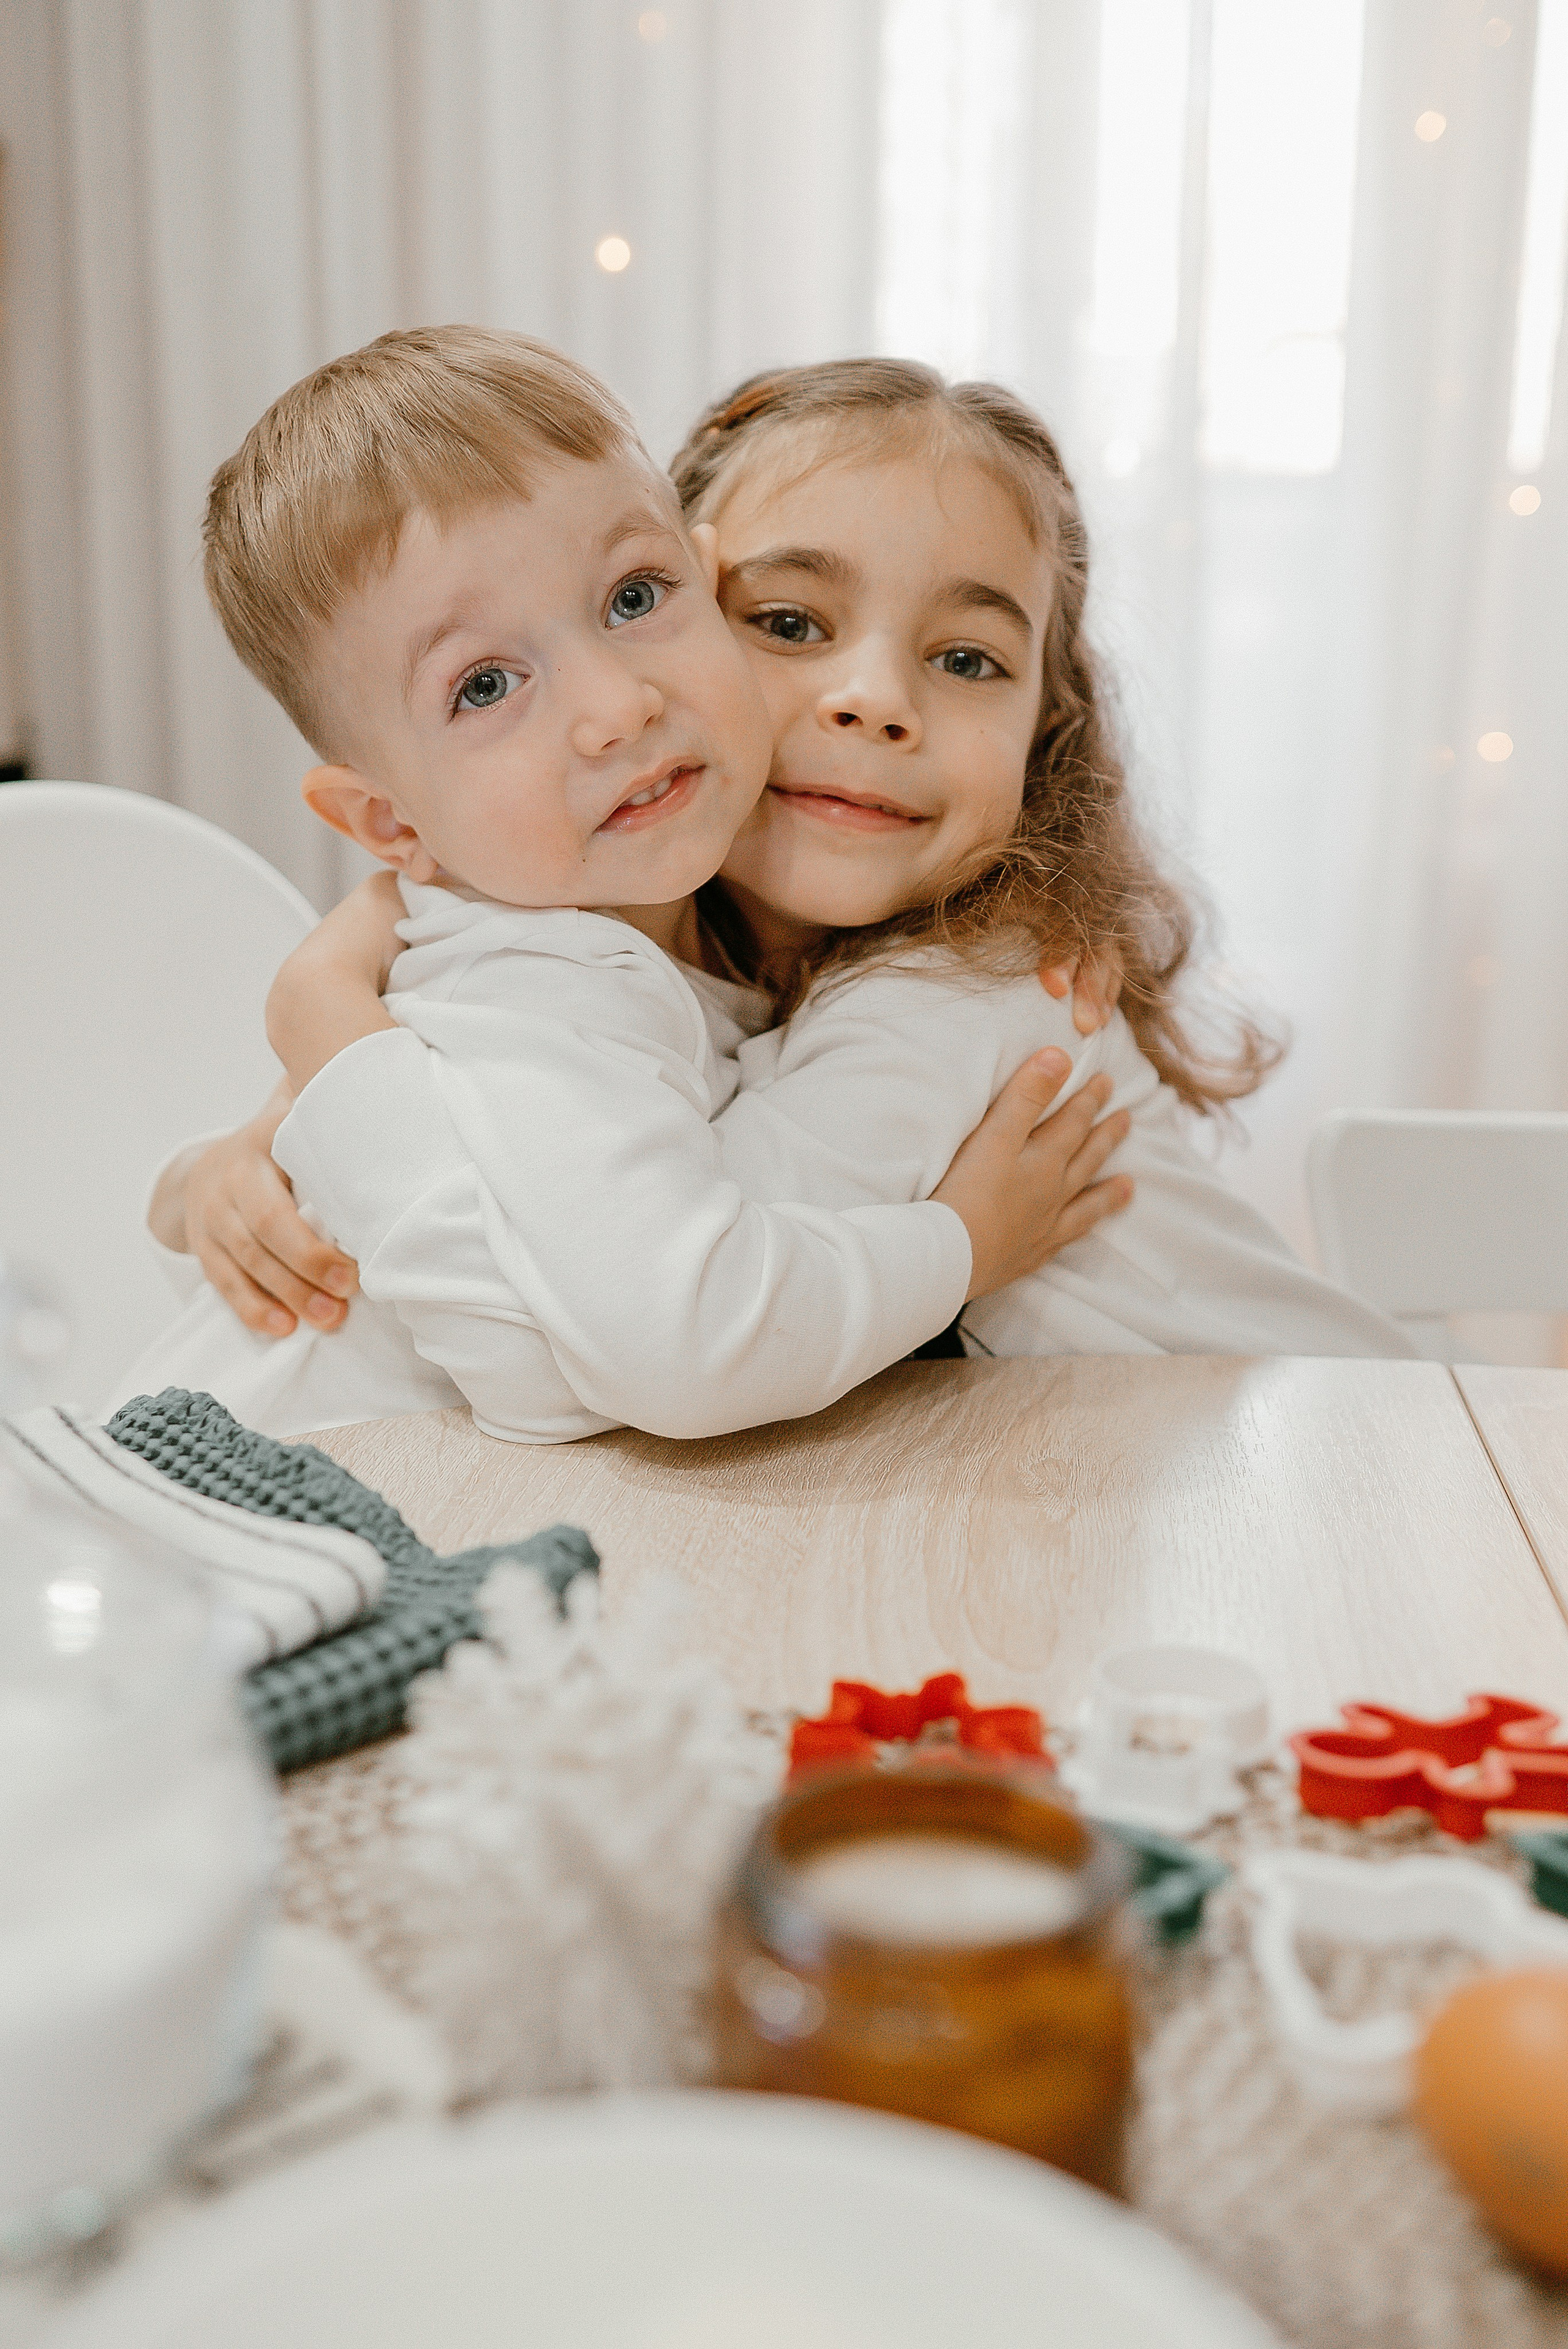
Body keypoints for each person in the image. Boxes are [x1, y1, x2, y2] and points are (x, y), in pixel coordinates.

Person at [165, 356, 1408, 1373]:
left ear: (1048, 733)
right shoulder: (666, 955)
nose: (873, 701)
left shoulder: (965, 995)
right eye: (790, 624)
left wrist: (335, 1031)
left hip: (1334, 1471)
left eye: (966, 659)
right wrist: (249, 1142)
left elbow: (664, 1298)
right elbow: (539, 1132)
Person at [111, 328, 1131, 1442]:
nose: (619, 706)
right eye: (486, 684)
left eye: (636, 598)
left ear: (698, 573)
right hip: (233, 1510)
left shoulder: (599, 950)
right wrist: (963, 1242)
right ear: (391, 823)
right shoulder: (551, 979)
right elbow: (661, 1358)